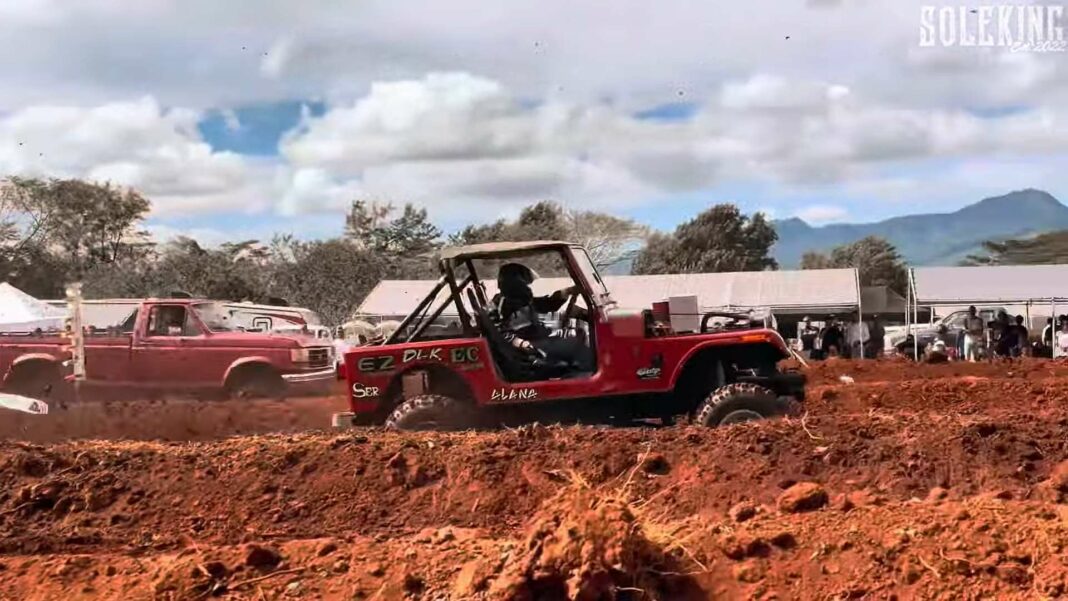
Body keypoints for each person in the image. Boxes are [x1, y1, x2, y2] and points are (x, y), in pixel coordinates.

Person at [491, 262, 590, 371]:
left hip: (534, 338)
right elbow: (498, 331)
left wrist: (566, 292)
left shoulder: (513, 300)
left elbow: (544, 304)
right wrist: (520, 343)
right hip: (530, 346)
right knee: (577, 339)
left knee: (577, 333)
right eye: (524, 283)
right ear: (515, 281)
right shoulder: (505, 303)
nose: (526, 287)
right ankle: (587, 375)